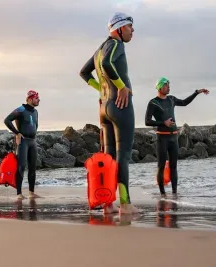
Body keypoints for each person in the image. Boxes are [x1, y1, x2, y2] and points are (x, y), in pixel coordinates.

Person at [79, 12, 139, 215]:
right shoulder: (115, 44)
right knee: (123, 156)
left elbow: (84, 72)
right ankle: (125, 204)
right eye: (130, 26)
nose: (132, 30)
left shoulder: (99, 49)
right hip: (120, 107)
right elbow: (107, 64)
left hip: (104, 108)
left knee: (109, 156)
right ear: (120, 28)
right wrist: (121, 87)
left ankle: (108, 204)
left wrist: (101, 90)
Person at [145, 77, 209, 198]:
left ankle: (174, 193)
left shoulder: (171, 99)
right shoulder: (153, 102)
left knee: (174, 166)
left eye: (169, 85)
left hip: (173, 138)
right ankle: (163, 194)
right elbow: (147, 121)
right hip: (162, 138)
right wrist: (163, 123)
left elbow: (185, 102)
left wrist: (197, 92)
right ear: (160, 87)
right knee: (161, 166)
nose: (169, 87)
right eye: (166, 85)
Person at [4, 90, 40, 200]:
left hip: (32, 141)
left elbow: (35, 125)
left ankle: (31, 192)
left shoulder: (35, 112)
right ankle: (19, 194)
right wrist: (17, 133)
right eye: (36, 98)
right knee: (21, 167)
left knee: (33, 167)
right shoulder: (21, 109)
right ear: (30, 99)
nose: (39, 100)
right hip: (23, 142)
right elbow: (7, 120)